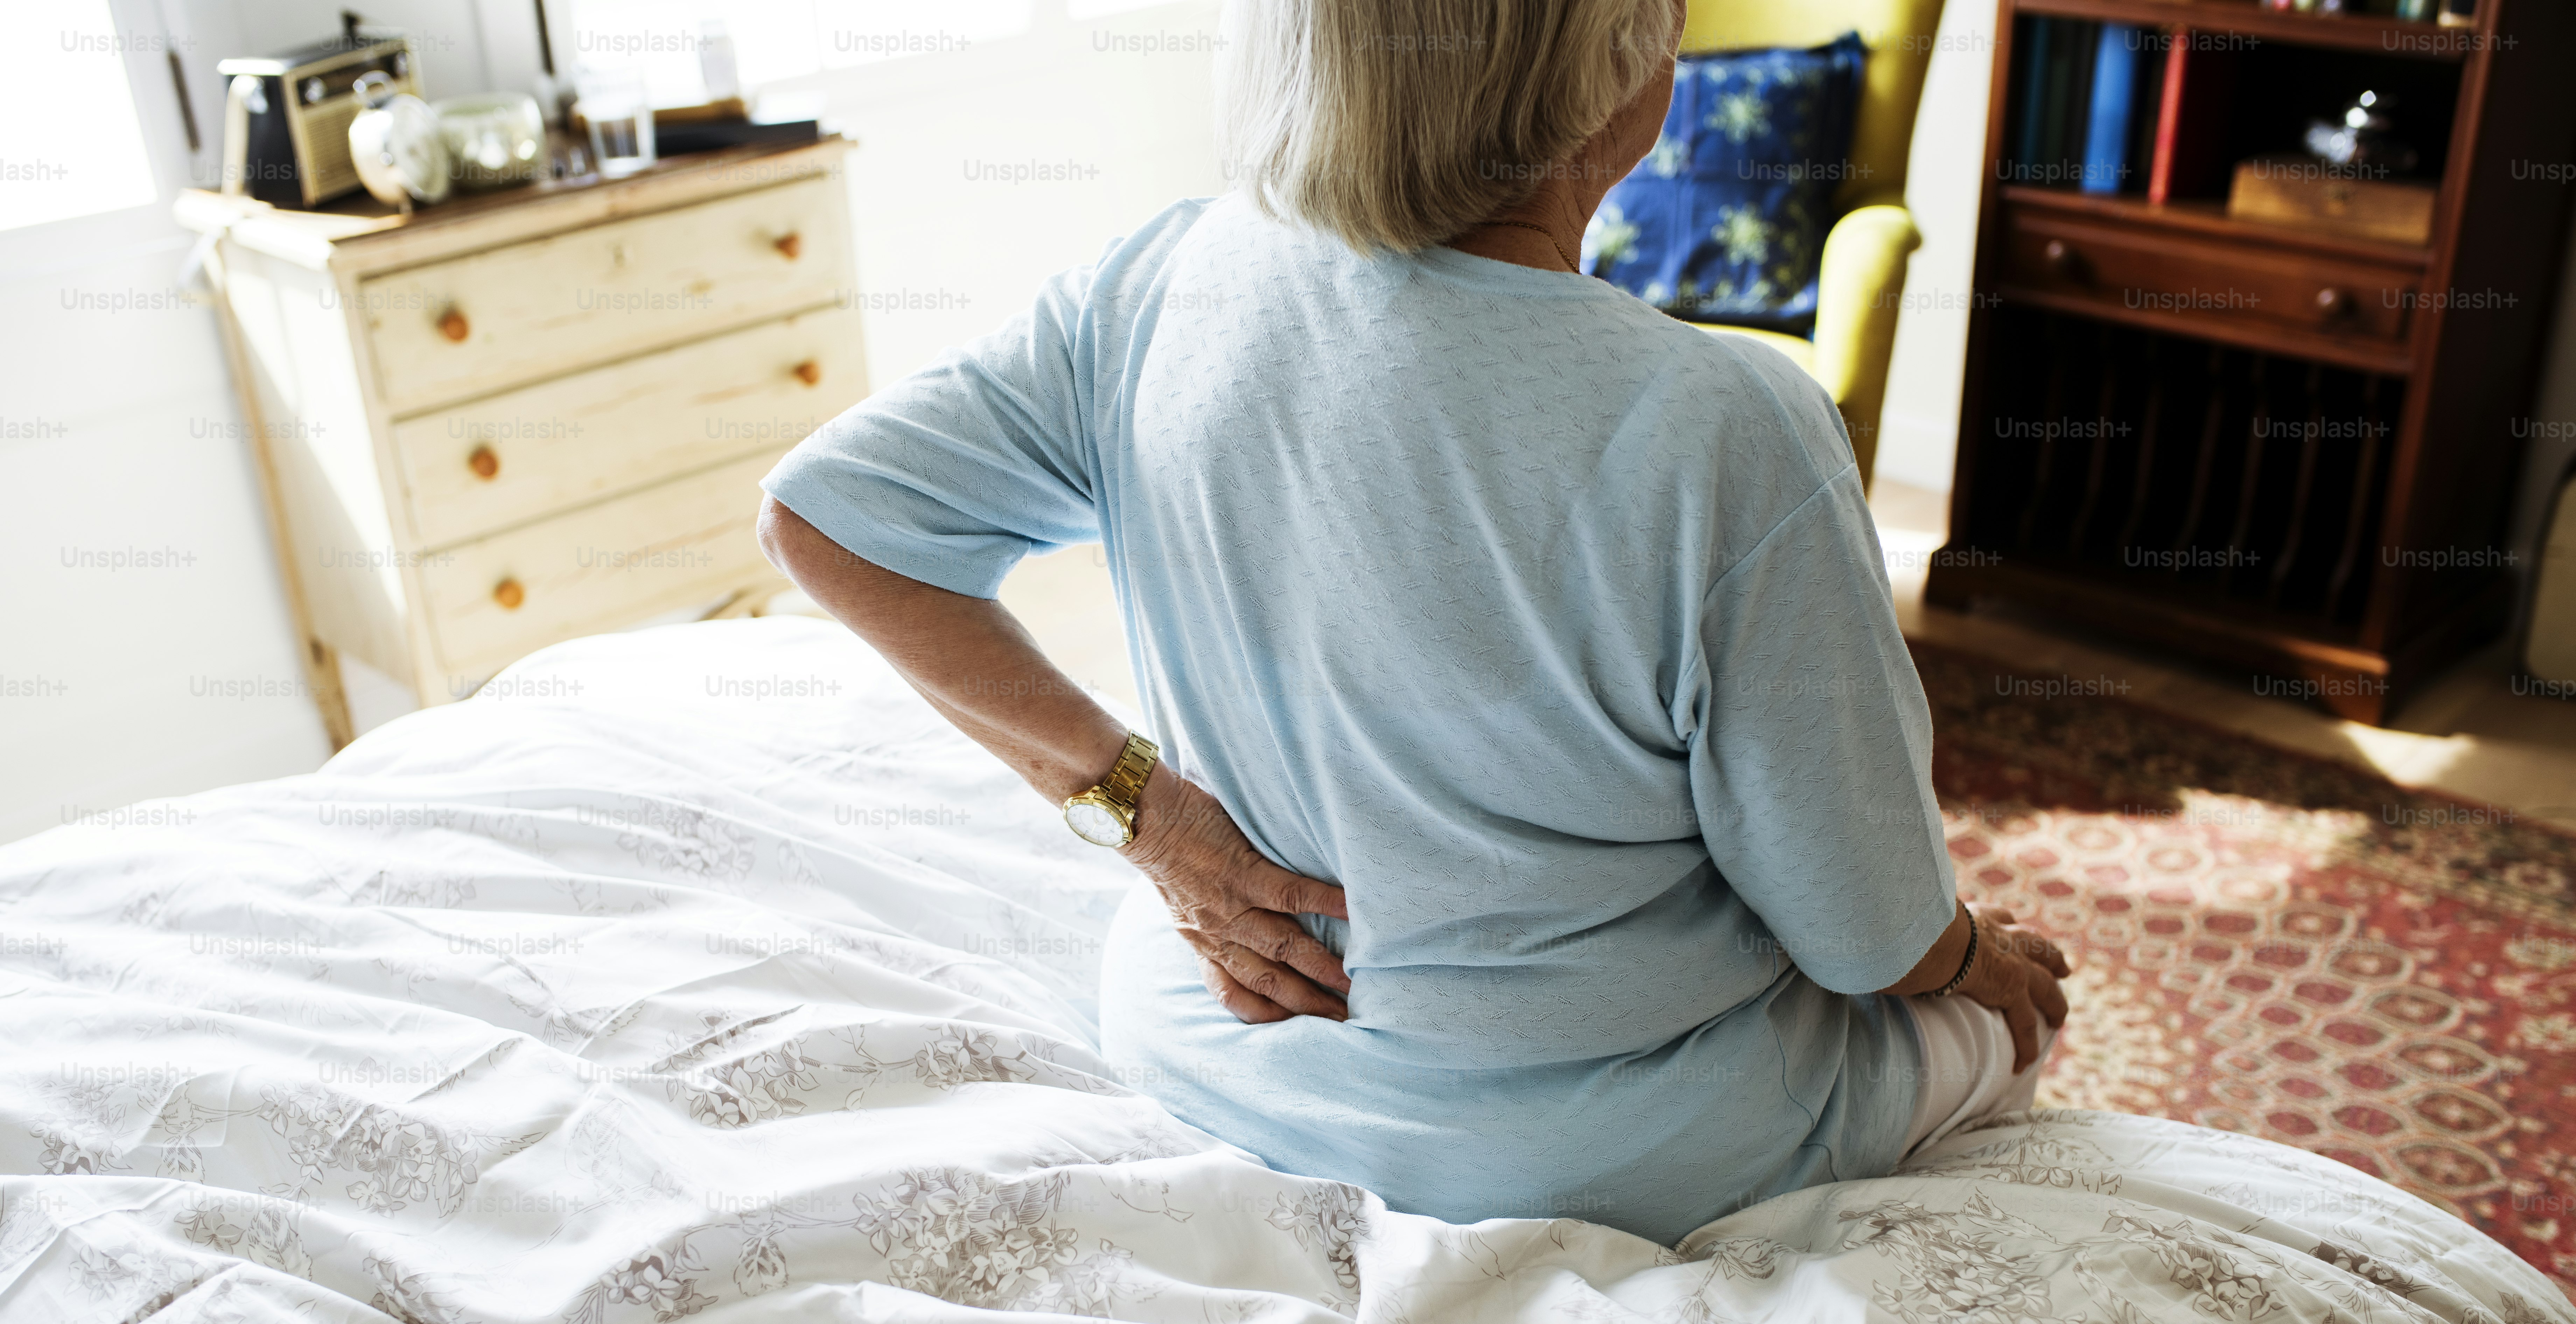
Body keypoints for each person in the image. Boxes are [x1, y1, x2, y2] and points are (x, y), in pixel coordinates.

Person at [756, 0, 2071, 1248]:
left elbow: (824, 519)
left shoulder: (1158, 277)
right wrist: (1973, 955)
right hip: (1582, 1150)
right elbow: (1865, 934)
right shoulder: (1735, 426)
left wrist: (1140, 810)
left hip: (1207, 1054)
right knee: (2014, 1020)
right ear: (1617, 71)